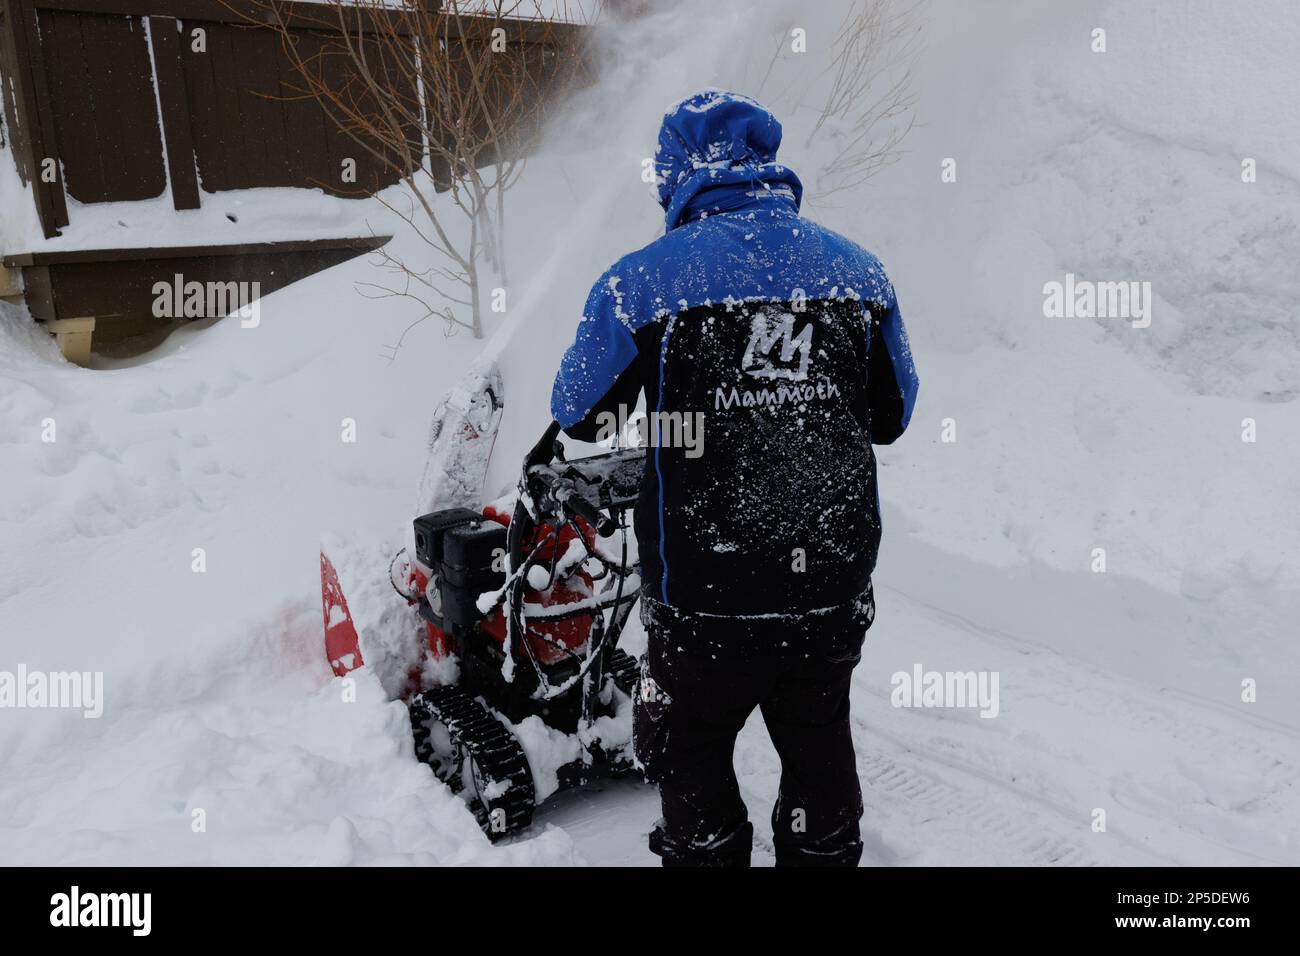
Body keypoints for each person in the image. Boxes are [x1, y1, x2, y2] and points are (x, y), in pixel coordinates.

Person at [550, 89, 919, 867]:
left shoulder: (642, 282)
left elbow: (578, 412)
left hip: (704, 598)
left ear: (681, 174)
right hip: (831, 588)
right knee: (819, 742)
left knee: (692, 753)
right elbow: (892, 414)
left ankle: (707, 850)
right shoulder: (861, 273)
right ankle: (822, 847)